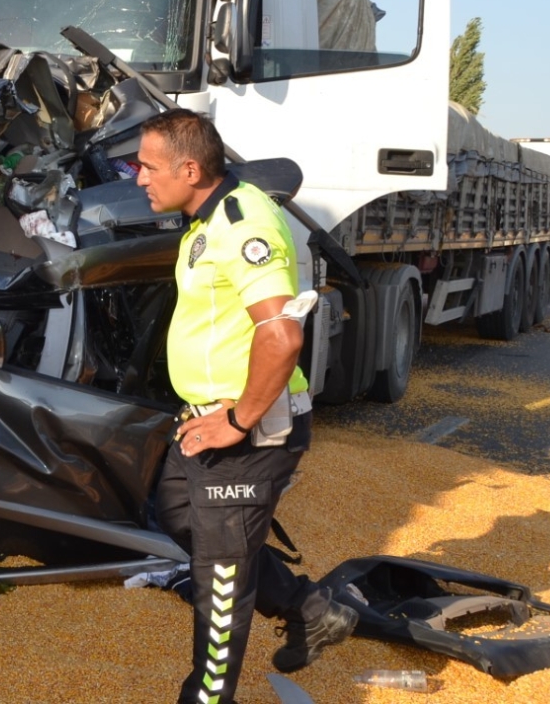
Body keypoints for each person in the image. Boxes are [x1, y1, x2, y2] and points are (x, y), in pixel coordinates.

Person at [136, 109, 354, 704]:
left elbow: (282, 335)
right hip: (206, 419)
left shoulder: (241, 222)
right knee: (180, 519)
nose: (137, 177)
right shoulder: (204, 216)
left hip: (250, 428)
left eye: (147, 166)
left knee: (220, 578)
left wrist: (237, 420)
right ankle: (310, 608)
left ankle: (207, 698)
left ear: (189, 167)